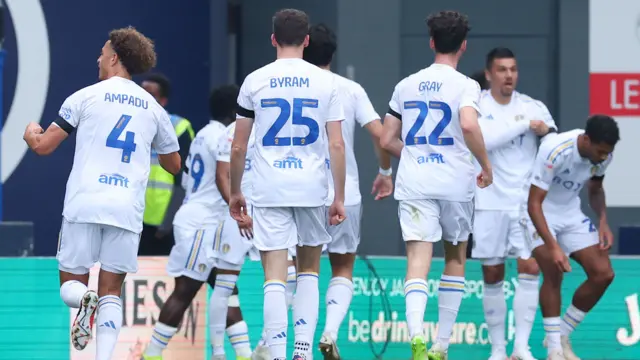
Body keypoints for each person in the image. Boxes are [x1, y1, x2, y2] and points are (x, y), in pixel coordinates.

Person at [23, 27, 181, 360]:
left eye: (102, 51)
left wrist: (30, 133)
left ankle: (83, 300)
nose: (98, 58)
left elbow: (43, 146)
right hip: (126, 208)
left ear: (113, 57)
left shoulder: (85, 96)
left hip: (85, 202)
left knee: (71, 284)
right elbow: (173, 164)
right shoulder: (154, 108)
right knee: (111, 291)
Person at [230, 8, 347, 360]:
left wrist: (236, 192)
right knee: (310, 270)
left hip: (269, 187)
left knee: (274, 276)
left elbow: (238, 145)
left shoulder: (255, 80)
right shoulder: (328, 82)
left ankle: (278, 353)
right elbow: (337, 144)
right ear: (307, 40)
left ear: (273, 39)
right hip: (311, 187)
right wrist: (339, 195)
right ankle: (302, 352)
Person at [380, 11, 492, 360]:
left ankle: (415, 336)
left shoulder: (406, 84)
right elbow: (470, 126)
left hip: (415, 183)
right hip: (455, 184)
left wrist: (413, 154)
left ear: (431, 43)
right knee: (455, 256)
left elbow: (386, 139)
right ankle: (441, 345)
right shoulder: (466, 86)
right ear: (463, 46)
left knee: (417, 258)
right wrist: (486, 165)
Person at [302, 23, 393, 360]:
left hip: (305, 192)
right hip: (346, 193)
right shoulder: (351, 89)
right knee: (342, 269)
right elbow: (379, 132)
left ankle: (294, 345)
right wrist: (385, 172)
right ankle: (330, 331)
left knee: (303, 271)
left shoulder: (295, 88)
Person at [142, 85, 254, 360]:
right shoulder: (224, 136)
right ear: (234, 111)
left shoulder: (204, 134)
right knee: (186, 289)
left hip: (205, 222)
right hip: (202, 224)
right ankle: (152, 354)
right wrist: (237, 210)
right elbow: (221, 178)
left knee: (228, 289)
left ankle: (244, 354)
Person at [472, 47, 557, 360]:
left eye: (513, 69)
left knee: (530, 268)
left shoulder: (532, 106)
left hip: (524, 203)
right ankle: (497, 350)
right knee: (492, 274)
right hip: (489, 200)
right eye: (502, 70)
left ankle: (521, 348)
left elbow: (552, 142)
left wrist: (544, 130)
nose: (509, 75)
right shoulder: (476, 104)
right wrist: (523, 125)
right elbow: (483, 139)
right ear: (489, 73)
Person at [527, 115, 619, 360]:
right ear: (586, 140)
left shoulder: (604, 155)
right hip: (540, 211)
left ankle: (562, 334)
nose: (602, 157)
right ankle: (555, 351)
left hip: (569, 213)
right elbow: (534, 203)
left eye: (606, 153)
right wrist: (554, 246)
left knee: (603, 273)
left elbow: (596, 189)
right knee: (553, 271)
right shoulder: (555, 149)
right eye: (599, 151)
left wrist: (602, 220)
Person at [139, 73, 195, 255]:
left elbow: (184, 179)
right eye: (142, 92)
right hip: (131, 217)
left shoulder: (179, 127)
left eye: (151, 94)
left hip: (164, 222)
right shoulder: (127, 124)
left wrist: (169, 220)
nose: (145, 98)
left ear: (163, 101)